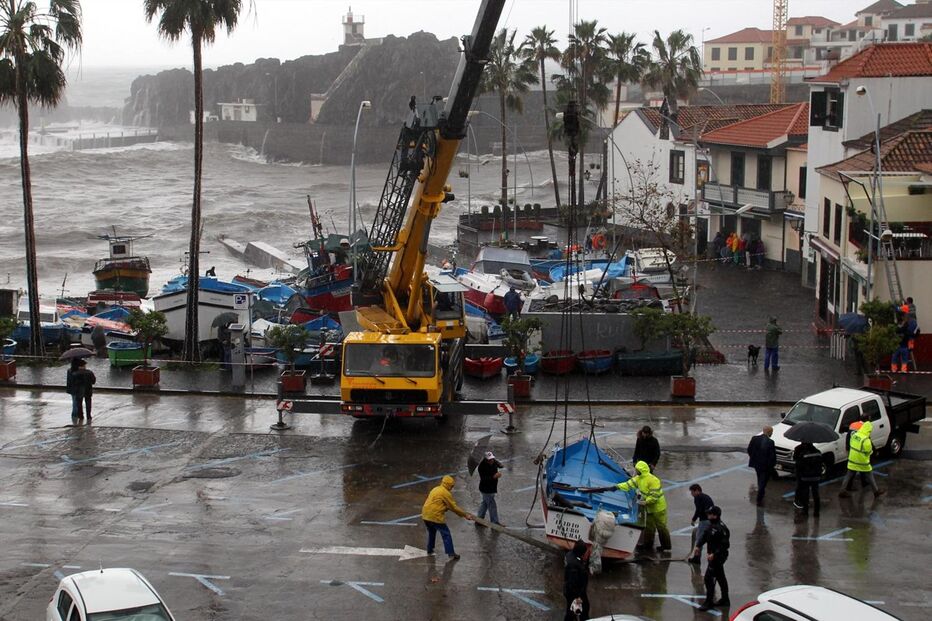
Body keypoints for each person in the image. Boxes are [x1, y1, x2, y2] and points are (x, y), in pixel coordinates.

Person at [616, 460, 671, 552]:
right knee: (649, 527)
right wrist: (616, 487)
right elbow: (628, 484)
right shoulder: (639, 478)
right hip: (649, 508)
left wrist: (645, 502)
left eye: (637, 469)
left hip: (658, 508)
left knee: (661, 527)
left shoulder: (653, 480)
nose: (636, 471)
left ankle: (666, 546)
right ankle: (648, 545)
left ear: (641, 470)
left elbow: (654, 496)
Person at [421, 475, 473, 560]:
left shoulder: (436, 489)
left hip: (426, 515)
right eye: (451, 486)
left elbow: (435, 502)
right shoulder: (445, 493)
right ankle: (451, 553)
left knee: (431, 532)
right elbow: (454, 507)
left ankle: (429, 549)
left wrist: (444, 507)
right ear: (448, 485)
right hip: (435, 516)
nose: (452, 488)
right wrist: (465, 515)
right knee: (446, 534)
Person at [695, 505, 730, 611]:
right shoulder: (711, 525)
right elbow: (705, 536)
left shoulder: (721, 528)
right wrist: (698, 545)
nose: (708, 515)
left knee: (708, 579)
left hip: (718, 557)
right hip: (713, 556)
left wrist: (714, 554)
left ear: (715, 515)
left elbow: (724, 545)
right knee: (720, 577)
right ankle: (725, 599)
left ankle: (709, 602)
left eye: (710, 514)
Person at [839, 420, 885, 497]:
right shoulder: (866, 440)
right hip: (862, 462)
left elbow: (851, 444)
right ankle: (876, 491)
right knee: (870, 475)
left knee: (848, 475)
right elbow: (869, 451)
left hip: (852, 460)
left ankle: (842, 490)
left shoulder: (855, 435)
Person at [747, 426, 776, 506]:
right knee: (763, 481)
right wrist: (772, 465)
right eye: (771, 432)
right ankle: (760, 498)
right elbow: (772, 456)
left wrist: (753, 458)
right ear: (769, 432)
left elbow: (749, 449)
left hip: (756, 464)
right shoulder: (770, 442)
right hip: (765, 466)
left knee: (760, 478)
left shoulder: (754, 438)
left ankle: (760, 494)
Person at [563, 539, 590, 621]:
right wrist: (577, 597)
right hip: (575, 593)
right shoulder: (575, 566)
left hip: (570, 590)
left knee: (572, 610)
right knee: (582, 608)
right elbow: (573, 583)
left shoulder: (570, 555)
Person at [793, 441, 822, 516]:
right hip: (816, 477)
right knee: (816, 493)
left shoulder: (803, 453)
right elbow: (820, 464)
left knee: (805, 494)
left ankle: (805, 511)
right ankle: (816, 512)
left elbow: (799, 465)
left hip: (806, 477)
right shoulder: (818, 452)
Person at [687, 484, 714, 563]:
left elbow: (698, 510)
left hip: (704, 521)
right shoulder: (706, 497)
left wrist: (693, 519)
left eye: (692, 492)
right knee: (710, 540)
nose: (691, 494)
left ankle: (697, 557)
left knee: (699, 540)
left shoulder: (698, 498)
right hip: (710, 520)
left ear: (697, 491)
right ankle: (710, 556)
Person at [476, 451, 504, 526]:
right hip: (486, 489)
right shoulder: (481, 467)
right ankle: (495, 522)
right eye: (489, 460)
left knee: (484, 504)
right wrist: (494, 477)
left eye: (492, 459)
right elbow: (484, 479)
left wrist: (500, 465)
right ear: (485, 460)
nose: (491, 461)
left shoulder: (493, 461)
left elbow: (497, 462)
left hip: (492, 488)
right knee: (492, 505)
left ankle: (479, 520)